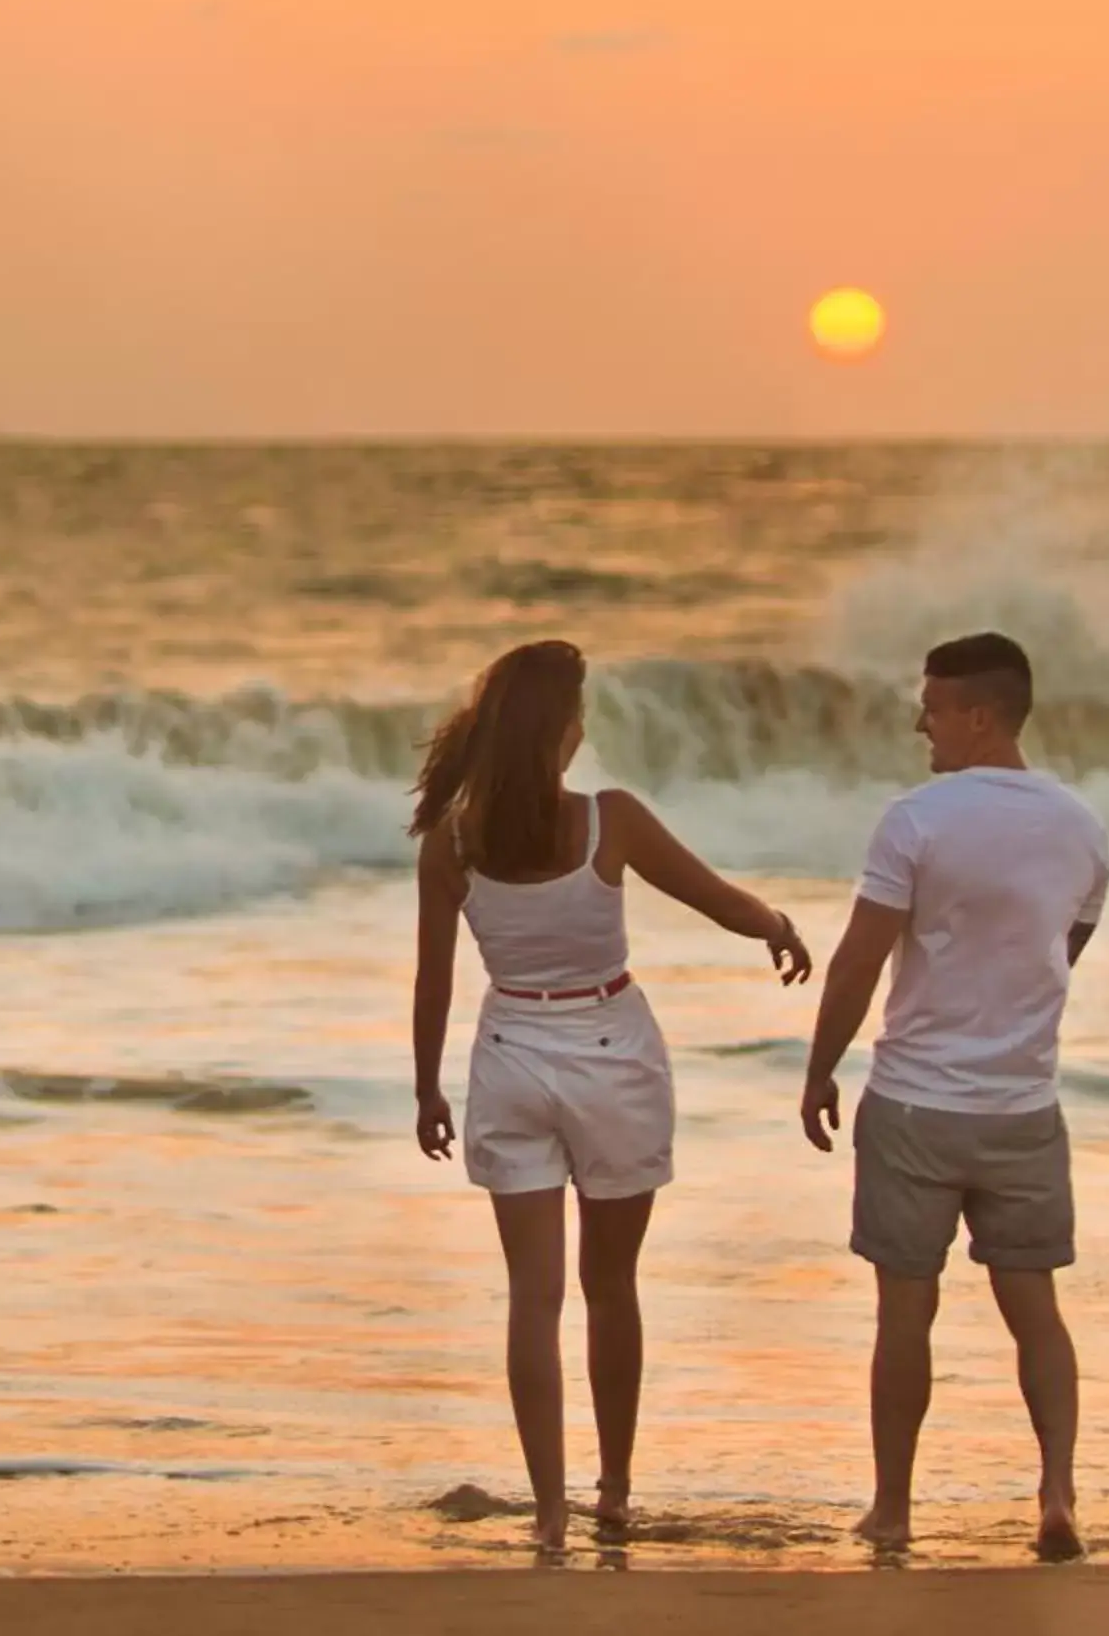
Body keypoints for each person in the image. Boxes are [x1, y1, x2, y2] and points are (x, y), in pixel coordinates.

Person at [409, 639, 812, 1552]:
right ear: (562, 729)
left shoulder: (453, 841)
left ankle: (550, 1517)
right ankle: (616, 1493)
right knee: (611, 1288)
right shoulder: (608, 820)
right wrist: (778, 926)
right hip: (611, 1053)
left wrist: (427, 1086)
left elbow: (433, 979)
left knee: (531, 1300)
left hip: (510, 1054)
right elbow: (715, 899)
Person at [798, 631, 1109, 1562]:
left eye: (931, 709)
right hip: (1023, 1108)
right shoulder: (1082, 826)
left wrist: (820, 1068)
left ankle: (893, 1509)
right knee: (1035, 1307)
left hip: (917, 1105)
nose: (919, 725)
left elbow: (859, 957)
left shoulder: (917, 819)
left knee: (905, 1309)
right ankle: (1056, 1493)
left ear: (979, 715)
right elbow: (1064, 951)